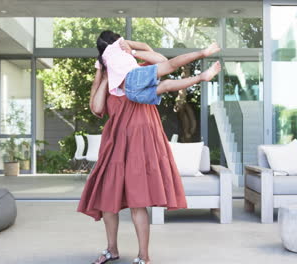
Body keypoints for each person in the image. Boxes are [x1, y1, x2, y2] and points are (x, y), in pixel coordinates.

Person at [77, 31, 220, 264]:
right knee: (107, 201)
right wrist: (102, 76)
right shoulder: (111, 84)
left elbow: (160, 60)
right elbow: (96, 107)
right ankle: (111, 249)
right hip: (115, 145)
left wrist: (129, 47)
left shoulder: (136, 74)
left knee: (137, 201)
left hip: (139, 144)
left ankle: (144, 256)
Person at [94, 30, 221, 105]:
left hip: (130, 94)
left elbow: (96, 84)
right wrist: (130, 50)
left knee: (166, 85)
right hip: (132, 77)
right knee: (170, 65)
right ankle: (203, 53)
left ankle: (202, 77)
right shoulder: (119, 43)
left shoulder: (102, 60)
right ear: (114, 38)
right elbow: (143, 45)